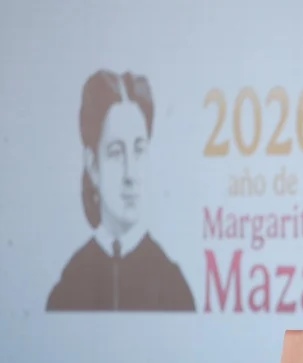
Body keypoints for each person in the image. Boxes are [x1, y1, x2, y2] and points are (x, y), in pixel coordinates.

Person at [45, 70, 195, 312]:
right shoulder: (69, 287)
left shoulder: (172, 286)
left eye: (139, 150)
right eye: (116, 153)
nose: (130, 174)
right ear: (93, 165)